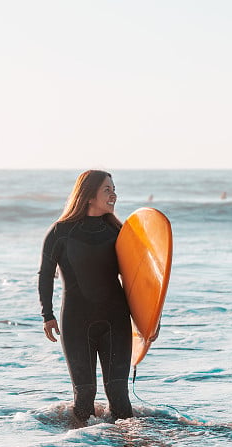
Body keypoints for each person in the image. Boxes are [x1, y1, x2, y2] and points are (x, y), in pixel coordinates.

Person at [38, 170, 133, 426]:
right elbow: (46, 274)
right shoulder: (61, 232)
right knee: (84, 396)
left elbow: (139, 280)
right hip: (76, 322)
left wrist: (149, 321)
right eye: (107, 189)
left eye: (114, 189)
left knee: (119, 396)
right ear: (89, 195)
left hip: (117, 321)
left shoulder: (119, 232)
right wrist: (47, 315)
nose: (114, 194)